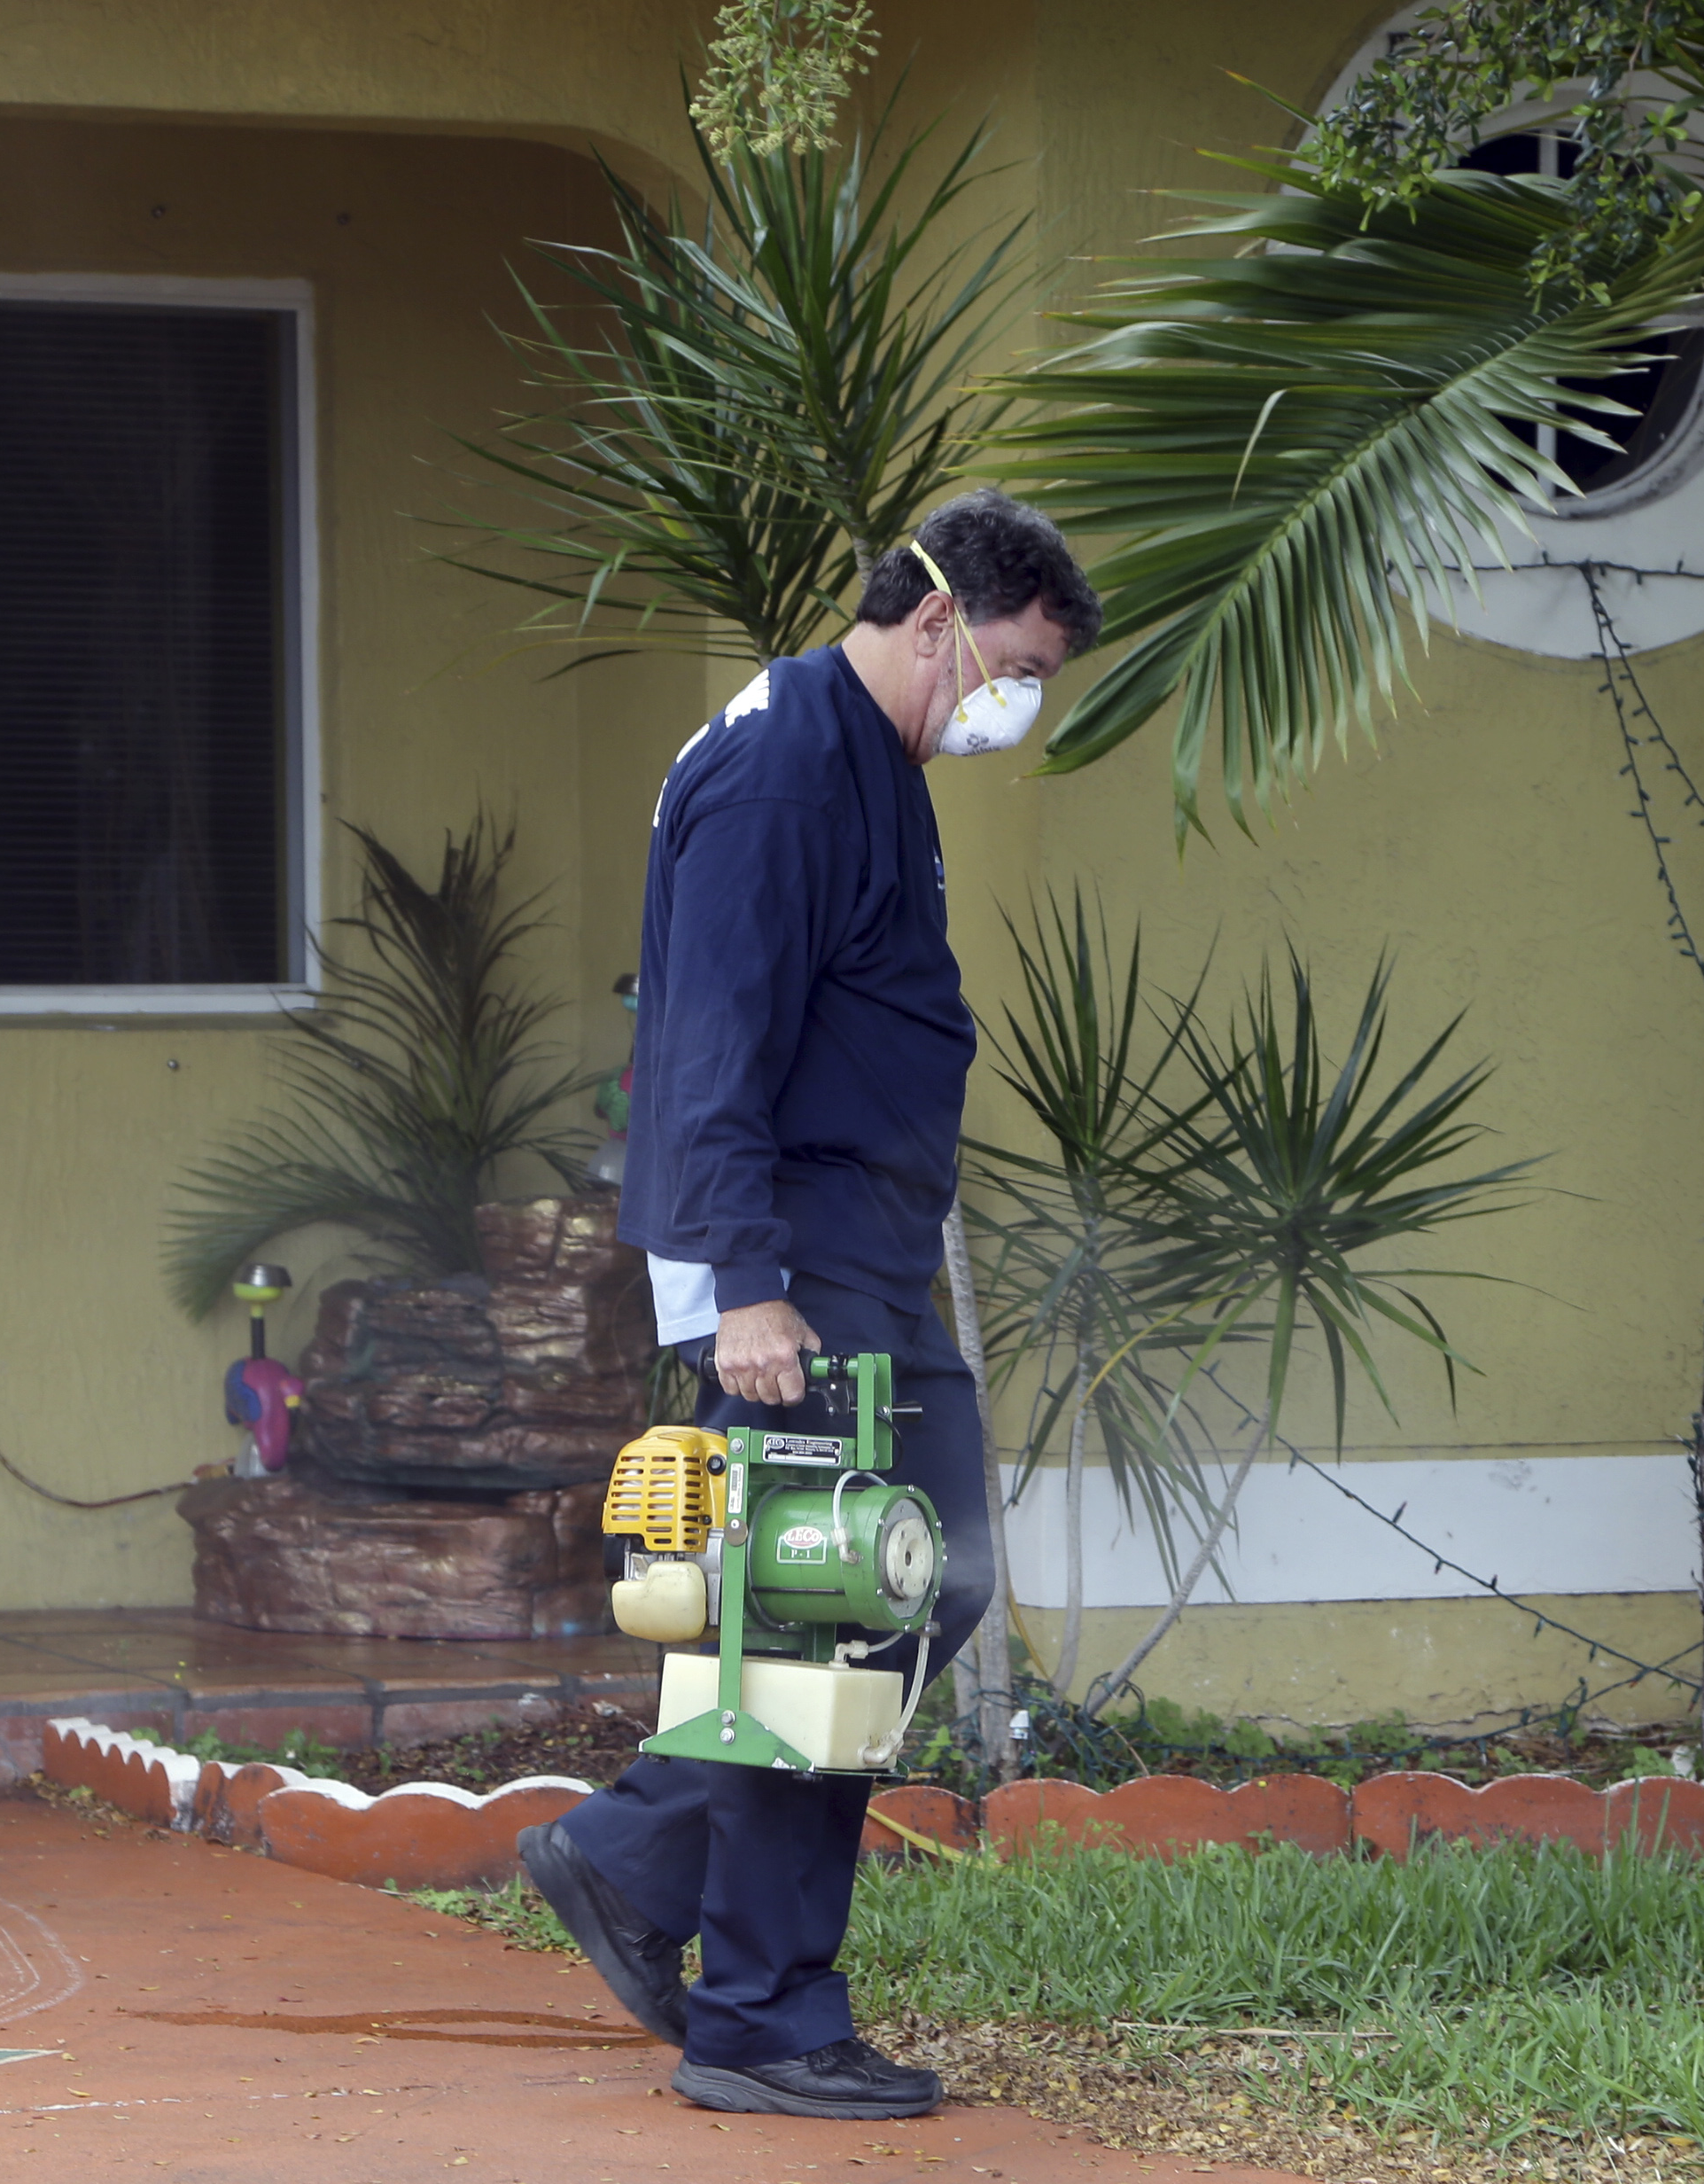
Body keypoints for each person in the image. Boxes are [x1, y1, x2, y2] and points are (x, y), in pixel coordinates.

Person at [521, 489, 1101, 2122]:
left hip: (860, 1252)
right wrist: (746, 1296)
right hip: (799, 1265)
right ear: (938, 618)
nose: (1015, 704)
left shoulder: (866, 750)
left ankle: (633, 1850)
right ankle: (764, 2015)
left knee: (912, 1588)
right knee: (822, 1608)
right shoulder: (785, 762)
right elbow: (705, 1037)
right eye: (1016, 666)